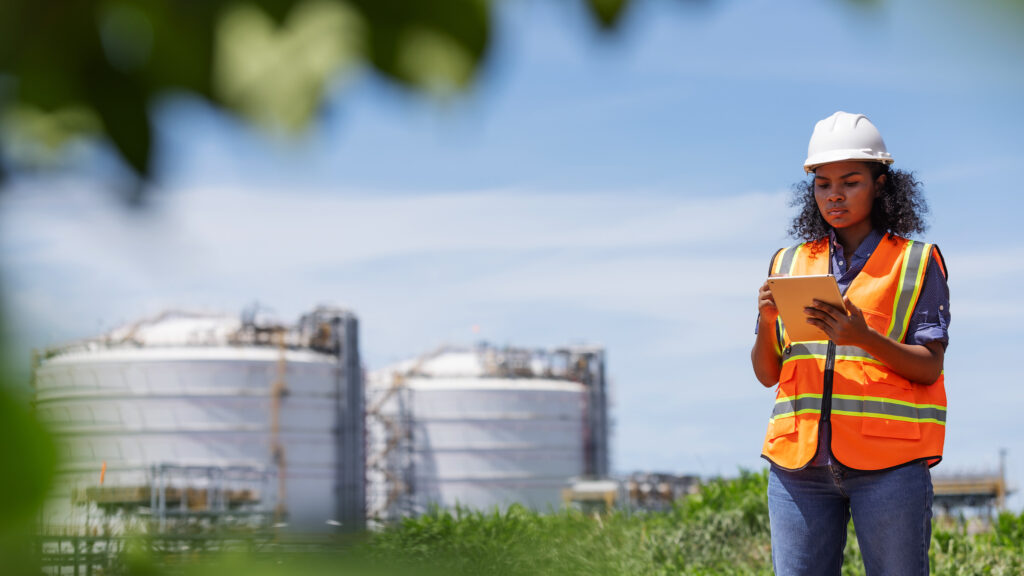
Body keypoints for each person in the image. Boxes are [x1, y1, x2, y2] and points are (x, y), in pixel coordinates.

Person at [750, 111, 949, 576]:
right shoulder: (789, 261)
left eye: (851, 181)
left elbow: (929, 367)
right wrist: (765, 320)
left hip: (890, 466)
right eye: (822, 183)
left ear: (881, 183)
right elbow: (766, 374)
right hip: (797, 467)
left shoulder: (917, 263)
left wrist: (863, 337)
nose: (834, 194)